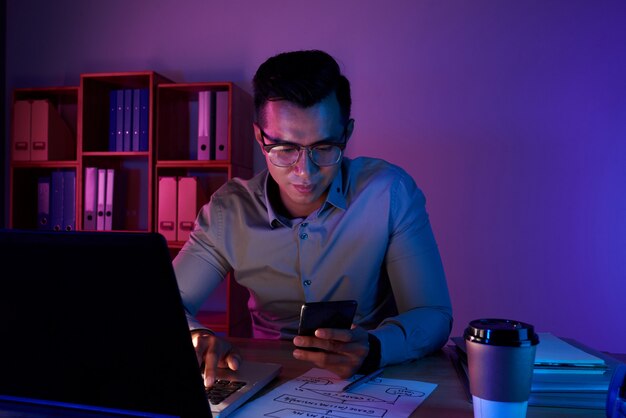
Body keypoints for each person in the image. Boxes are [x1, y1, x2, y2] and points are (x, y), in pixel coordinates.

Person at [173, 49, 453, 387]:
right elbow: (163, 304)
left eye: (323, 147)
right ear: (260, 138)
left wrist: (376, 348)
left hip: (372, 378)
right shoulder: (227, 212)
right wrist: (196, 335)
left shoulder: (389, 194)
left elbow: (433, 314)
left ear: (346, 135)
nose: (304, 172)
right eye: (285, 149)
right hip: (268, 376)